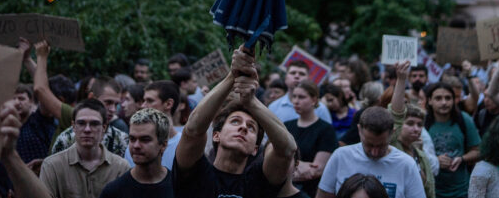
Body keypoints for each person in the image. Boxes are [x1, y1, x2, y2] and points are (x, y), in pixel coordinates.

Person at [173, 48, 296, 197]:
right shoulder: (195, 172)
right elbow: (192, 130)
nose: (243, 127)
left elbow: (288, 149)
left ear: (255, 149)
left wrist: (251, 102)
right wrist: (232, 75)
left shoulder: (260, 181)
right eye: (235, 122)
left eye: (251, 127)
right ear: (216, 135)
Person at [316, 106, 426, 198]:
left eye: (381, 145)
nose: (374, 152)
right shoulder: (341, 156)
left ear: (392, 133)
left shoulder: (406, 164)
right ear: (359, 130)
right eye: (369, 145)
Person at [40, 98, 130, 198]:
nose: (87, 129)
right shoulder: (52, 166)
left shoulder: (120, 167)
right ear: (73, 126)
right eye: (81, 123)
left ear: (104, 128)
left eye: (94, 124)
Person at [389, 61, 438, 198]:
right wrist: (401, 79)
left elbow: (429, 189)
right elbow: (396, 113)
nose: (416, 129)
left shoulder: (420, 154)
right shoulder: (392, 145)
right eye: (410, 123)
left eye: (419, 125)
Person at [100, 108, 174, 198]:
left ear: (163, 145)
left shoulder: (178, 186)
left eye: (145, 140)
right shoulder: (113, 191)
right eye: (132, 139)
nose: (136, 146)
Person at [425, 82, 481, 198]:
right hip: (432, 191)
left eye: (448, 98)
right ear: (430, 101)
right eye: (438, 98)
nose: (444, 102)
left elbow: (479, 151)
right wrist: (435, 161)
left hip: (461, 191)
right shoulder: (423, 123)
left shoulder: (464, 120)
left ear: (454, 100)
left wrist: (461, 159)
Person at [51, 77, 129, 157]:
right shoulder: (66, 140)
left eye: (116, 104)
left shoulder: (121, 140)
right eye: (108, 102)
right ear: (92, 97)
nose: (113, 109)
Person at [285, 80, 338, 196]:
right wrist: (301, 165)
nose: (296, 101)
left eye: (301, 97)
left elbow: (315, 171)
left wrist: (290, 166)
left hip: (311, 192)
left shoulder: (325, 129)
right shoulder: (286, 126)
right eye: (294, 96)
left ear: (314, 100)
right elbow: (278, 162)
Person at [123, 79, 182, 169]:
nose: (143, 106)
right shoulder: (134, 146)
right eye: (144, 101)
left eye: (150, 101)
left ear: (168, 104)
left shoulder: (184, 144)